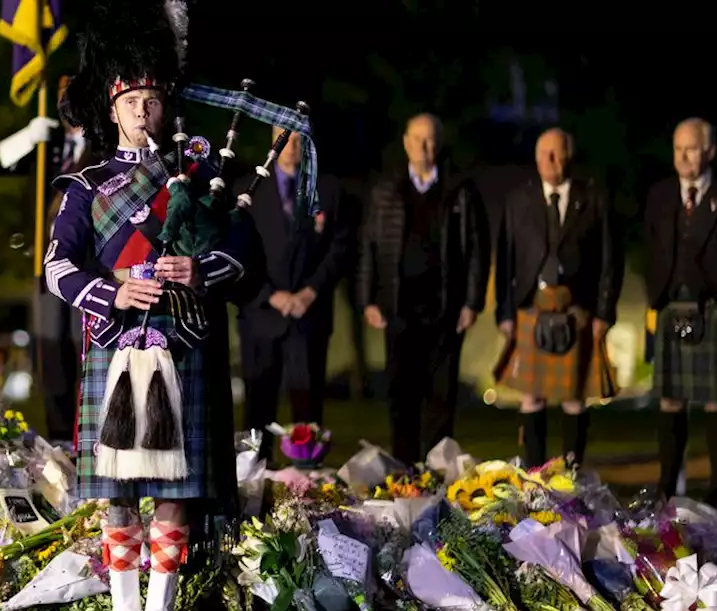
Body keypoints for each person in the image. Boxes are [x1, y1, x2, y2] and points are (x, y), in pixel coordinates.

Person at [45, 0, 296, 611]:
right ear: (111, 104)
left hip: (183, 347)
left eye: (152, 99)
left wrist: (198, 267)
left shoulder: (204, 177)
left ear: (164, 104)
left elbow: (247, 257)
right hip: (114, 346)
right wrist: (114, 290)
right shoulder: (84, 184)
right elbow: (56, 266)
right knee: (119, 494)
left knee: (174, 491)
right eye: (132, 100)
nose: (142, 110)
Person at [357, 113, 489, 466]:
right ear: (405, 143)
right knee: (402, 397)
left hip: (446, 308)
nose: (423, 147)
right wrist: (367, 298)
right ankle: (403, 473)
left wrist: (472, 302)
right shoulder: (386, 190)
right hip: (398, 307)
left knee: (441, 397)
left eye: (429, 140)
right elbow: (369, 245)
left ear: (439, 143)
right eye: (417, 139)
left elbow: (478, 249)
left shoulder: (460, 190)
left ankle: (437, 474)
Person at [494, 128, 623, 468]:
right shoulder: (518, 200)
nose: (550, 160)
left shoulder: (594, 199)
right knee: (531, 396)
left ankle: (572, 471)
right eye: (544, 154)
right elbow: (505, 257)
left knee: (575, 395)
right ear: (536, 158)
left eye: (557, 153)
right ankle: (535, 472)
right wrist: (504, 314)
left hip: (577, 309)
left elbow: (611, 259)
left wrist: (604, 313)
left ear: (569, 156)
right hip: (531, 308)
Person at [645, 118, 717, 513]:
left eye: (691, 149)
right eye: (677, 149)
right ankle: (666, 488)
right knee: (671, 401)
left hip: (716, 306)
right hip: (673, 304)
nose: (683, 157)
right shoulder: (660, 195)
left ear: (709, 151)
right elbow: (652, 246)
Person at [0, 76, 90, 441]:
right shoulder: (47, 146)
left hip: (90, 266)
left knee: (84, 351)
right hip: (47, 266)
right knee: (50, 351)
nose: (66, 103)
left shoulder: (105, 143)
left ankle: (89, 436)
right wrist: (30, 137)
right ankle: (61, 436)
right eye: (61, 96)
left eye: (73, 95)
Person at [236, 127, 349, 454]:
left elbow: (340, 247)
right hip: (260, 314)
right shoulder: (248, 189)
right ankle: (253, 483)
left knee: (308, 406)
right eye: (284, 138)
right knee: (258, 408)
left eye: (299, 139)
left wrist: (310, 292)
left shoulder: (327, 189)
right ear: (272, 140)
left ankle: (308, 486)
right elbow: (237, 252)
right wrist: (270, 294)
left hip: (308, 315)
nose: (291, 146)